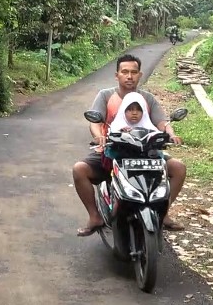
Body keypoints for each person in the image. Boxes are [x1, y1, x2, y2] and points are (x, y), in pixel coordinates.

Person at [73, 54, 187, 236]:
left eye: (134, 72)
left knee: (178, 168)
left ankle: (163, 213)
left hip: (144, 152)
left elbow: (161, 122)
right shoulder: (105, 95)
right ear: (116, 75)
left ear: (140, 75)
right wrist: (99, 136)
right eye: (124, 72)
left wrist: (171, 134)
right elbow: (94, 121)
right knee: (79, 170)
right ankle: (94, 216)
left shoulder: (147, 98)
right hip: (112, 150)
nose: (129, 76)